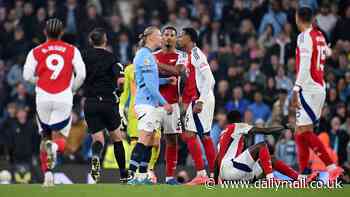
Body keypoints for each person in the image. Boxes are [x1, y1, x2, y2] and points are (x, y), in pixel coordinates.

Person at [22, 18, 86, 186]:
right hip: (63, 98)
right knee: (60, 138)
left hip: (42, 98)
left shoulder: (36, 51)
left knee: (45, 137)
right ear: (62, 33)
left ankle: (47, 175)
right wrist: (72, 89)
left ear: (45, 32)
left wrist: (40, 81)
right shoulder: (72, 50)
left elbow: (26, 76)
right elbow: (82, 75)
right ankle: (55, 150)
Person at [291, 7, 342, 181]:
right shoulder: (319, 34)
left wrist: (296, 89)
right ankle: (304, 173)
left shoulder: (304, 36)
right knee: (299, 131)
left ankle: (331, 166)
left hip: (309, 88)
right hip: (319, 86)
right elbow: (328, 52)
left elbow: (305, 64)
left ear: (298, 18)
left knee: (304, 131)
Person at [214, 110, 317, 183]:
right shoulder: (237, 126)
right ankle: (270, 179)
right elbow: (265, 131)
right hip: (233, 170)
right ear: (239, 120)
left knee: (270, 159)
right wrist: (285, 127)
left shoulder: (223, 135)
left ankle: (300, 179)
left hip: (229, 176)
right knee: (262, 146)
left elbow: (216, 161)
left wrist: (215, 181)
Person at [127, 26, 174, 184]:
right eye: (160, 35)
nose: (162, 38)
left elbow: (152, 81)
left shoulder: (148, 56)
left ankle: (142, 176)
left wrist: (166, 80)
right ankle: (131, 175)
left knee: (151, 139)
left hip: (149, 103)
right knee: (144, 138)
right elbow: (150, 86)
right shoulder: (145, 56)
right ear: (151, 37)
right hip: (146, 103)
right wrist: (165, 103)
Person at [81, 28, 126, 183]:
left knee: (98, 139)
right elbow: (121, 81)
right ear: (105, 40)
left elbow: (77, 75)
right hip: (108, 102)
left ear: (91, 41)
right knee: (117, 139)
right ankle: (123, 175)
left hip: (91, 102)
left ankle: (95, 158)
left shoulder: (83, 56)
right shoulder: (112, 58)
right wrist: (119, 92)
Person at [177, 27, 216, 185]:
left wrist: (201, 101)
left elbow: (210, 79)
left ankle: (213, 174)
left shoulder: (197, 53)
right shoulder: (188, 56)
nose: (179, 38)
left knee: (204, 137)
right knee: (191, 135)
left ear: (190, 38)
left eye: (181, 35)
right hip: (195, 99)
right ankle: (204, 174)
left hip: (202, 99)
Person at [153, 25, 188, 184]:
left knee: (172, 141)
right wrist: (166, 74)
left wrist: (159, 66)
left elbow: (177, 71)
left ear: (175, 38)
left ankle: (168, 177)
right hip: (153, 104)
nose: (168, 37)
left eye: (172, 35)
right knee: (149, 140)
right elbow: (150, 79)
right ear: (161, 37)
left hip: (172, 104)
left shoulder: (182, 56)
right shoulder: (152, 55)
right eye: (165, 34)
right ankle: (146, 174)